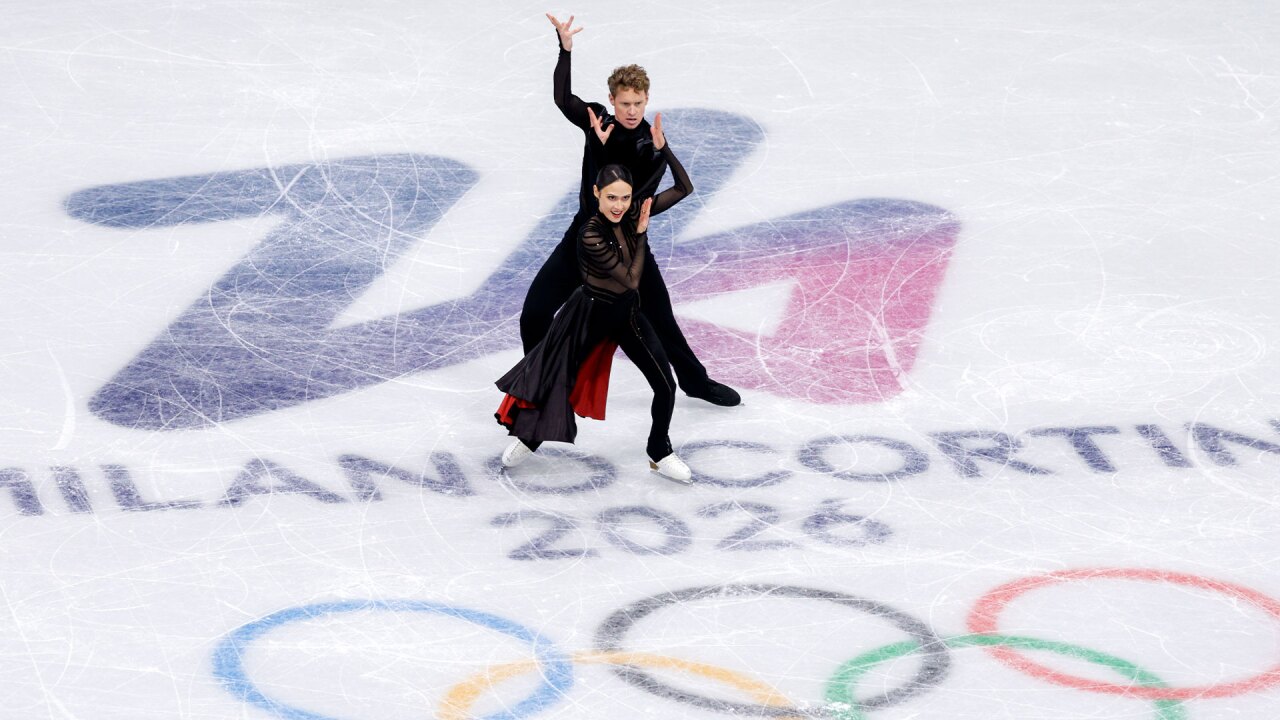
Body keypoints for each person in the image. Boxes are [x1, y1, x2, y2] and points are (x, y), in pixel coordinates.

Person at [518, 13, 741, 408]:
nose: (632, 111)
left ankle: (696, 382)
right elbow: (561, 99)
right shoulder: (597, 121)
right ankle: (543, 382)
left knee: (662, 318)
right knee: (534, 313)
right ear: (612, 101)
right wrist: (565, 50)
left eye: (638, 103)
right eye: (625, 103)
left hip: (628, 245)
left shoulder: (647, 142)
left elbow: (637, 204)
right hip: (583, 237)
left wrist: (655, 149)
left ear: (647, 100)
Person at [496, 152, 694, 483]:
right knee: (555, 384)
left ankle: (659, 451)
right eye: (612, 197)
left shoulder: (633, 213)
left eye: (626, 197)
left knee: (665, 385)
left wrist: (666, 148)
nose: (619, 205)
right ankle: (530, 438)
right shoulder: (589, 233)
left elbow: (683, 188)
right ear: (596, 194)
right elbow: (630, 279)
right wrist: (642, 232)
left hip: (628, 317)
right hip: (587, 318)